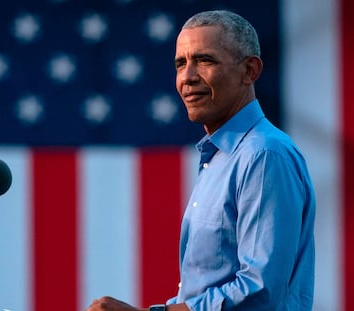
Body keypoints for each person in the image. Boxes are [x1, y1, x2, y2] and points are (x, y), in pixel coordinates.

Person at [86, 9, 315, 311]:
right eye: (181, 63)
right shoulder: (220, 156)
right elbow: (203, 293)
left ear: (250, 71)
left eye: (205, 60)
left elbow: (259, 292)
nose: (188, 77)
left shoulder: (263, 155)